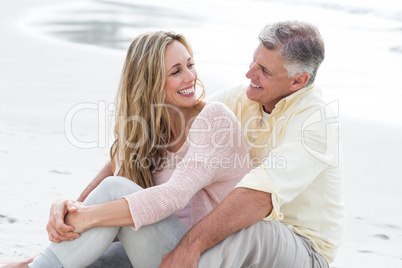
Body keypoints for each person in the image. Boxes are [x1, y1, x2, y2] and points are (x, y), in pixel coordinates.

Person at [17, 31, 251, 267]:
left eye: (190, 65)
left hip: (202, 257)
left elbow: (173, 196)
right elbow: (86, 211)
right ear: (149, 81)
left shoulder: (215, 120)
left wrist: (87, 217)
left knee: (115, 189)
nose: (190, 77)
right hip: (157, 251)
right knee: (87, 261)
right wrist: (65, 208)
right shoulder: (145, 132)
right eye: (176, 71)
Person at [159, 21, 344, 267]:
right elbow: (163, 134)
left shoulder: (317, 123)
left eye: (264, 71)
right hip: (236, 235)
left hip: (303, 251)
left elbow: (258, 197)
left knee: (251, 228)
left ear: (298, 81)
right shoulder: (239, 99)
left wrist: (189, 246)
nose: (249, 74)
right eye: (253, 62)